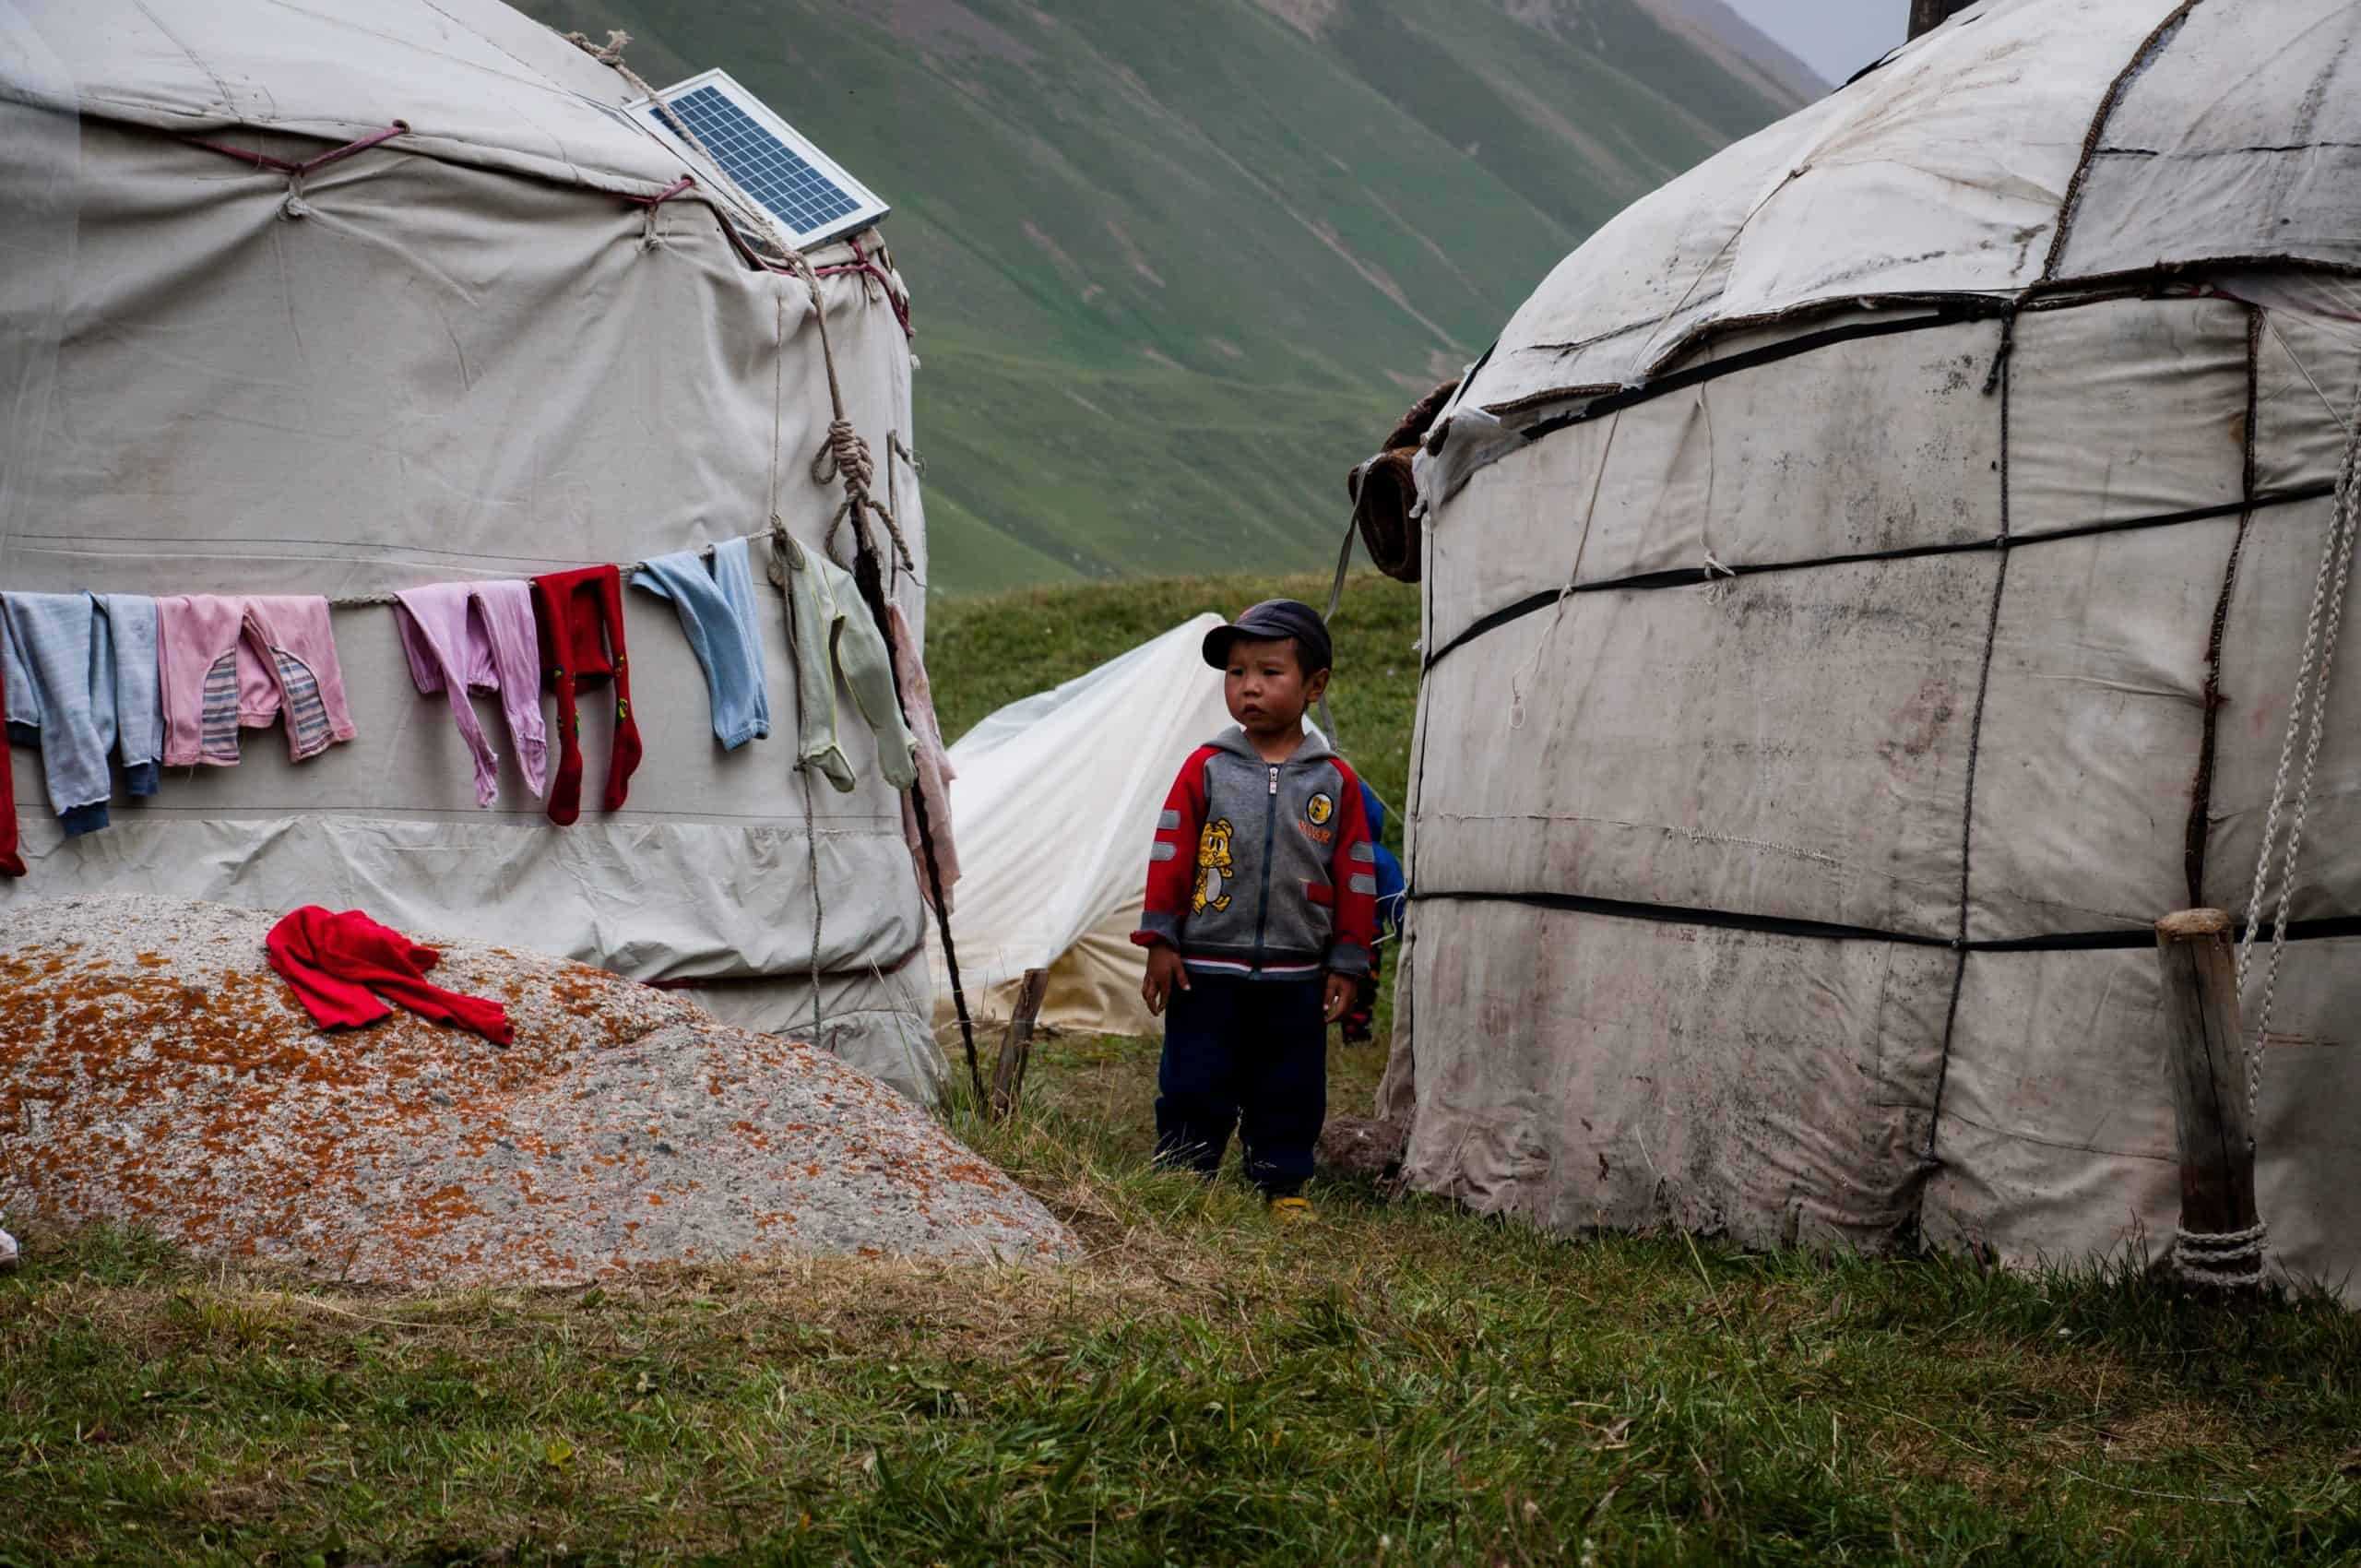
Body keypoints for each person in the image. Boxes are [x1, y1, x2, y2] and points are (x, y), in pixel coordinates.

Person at [1133, 600, 1377, 1224]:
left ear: (1315, 684)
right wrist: (1161, 939)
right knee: (1194, 1077)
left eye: (1270, 672)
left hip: (1297, 974)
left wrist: (1349, 960)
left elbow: (1353, 874)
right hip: (1205, 967)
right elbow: (1170, 853)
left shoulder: (1335, 781)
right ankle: (1186, 1174)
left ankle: (1282, 1183)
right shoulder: (1206, 768)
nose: (1249, 688)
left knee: (1289, 1086)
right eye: (1237, 673)